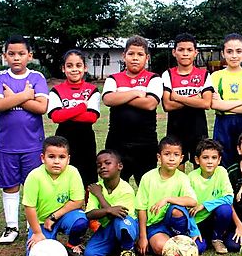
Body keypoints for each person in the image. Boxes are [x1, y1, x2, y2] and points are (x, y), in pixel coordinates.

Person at [0, 35, 49, 245]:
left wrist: (12, 97)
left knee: (32, 185)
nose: (16, 58)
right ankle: (11, 226)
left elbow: (41, 107)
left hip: (33, 144)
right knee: (10, 185)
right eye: (11, 54)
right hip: (7, 145)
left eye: (21, 54)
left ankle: (32, 226)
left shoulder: (37, 77)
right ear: (5, 56)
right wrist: (25, 95)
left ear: (29, 56)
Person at [102, 35, 161, 184]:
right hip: (117, 141)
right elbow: (108, 99)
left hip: (145, 142)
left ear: (147, 57)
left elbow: (150, 104)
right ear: (124, 56)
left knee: (147, 185)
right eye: (131, 54)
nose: (135, 58)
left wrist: (121, 97)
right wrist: (135, 93)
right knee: (116, 185)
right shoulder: (113, 78)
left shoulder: (153, 78)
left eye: (140, 54)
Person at [23, 136, 88, 256]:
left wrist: (53, 216)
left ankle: (73, 244)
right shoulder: (34, 176)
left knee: (80, 221)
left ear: (68, 159)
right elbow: (29, 207)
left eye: (62, 157)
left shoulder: (73, 172)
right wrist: (37, 232)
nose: (57, 161)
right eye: (51, 157)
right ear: (43, 158)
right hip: (41, 222)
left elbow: (78, 201)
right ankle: (44, 236)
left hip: (64, 216)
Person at [134, 136, 200, 256]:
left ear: (181, 158)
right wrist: (142, 237)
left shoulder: (182, 178)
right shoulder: (148, 178)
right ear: (159, 157)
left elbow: (192, 201)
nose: (171, 158)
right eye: (167, 154)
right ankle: (170, 243)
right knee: (162, 248)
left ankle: (182, 237)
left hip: (172, 222)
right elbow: (141, 209)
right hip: (154, 225)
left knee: (176, 210)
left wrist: (167, 199)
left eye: (176, 155)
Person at [47, 49, 101, 187]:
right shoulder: (56, 91)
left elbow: (91, 117)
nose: (74, 69)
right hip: (63, 139)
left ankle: (88, 207)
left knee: (87, 177)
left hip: (86, 140)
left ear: (85, 68)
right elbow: (56, 116)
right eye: (69, 66)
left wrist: (67, 113)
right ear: (63, 69)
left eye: (78, 65)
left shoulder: (92, 90)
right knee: (63, 175)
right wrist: (82, 107)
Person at [162, 33, 214, 171]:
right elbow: (167, 105)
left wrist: (178, 97)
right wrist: (194, 98)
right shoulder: (168, 74)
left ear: (196, 53)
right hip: (176, 130)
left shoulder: (204, 75)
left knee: (201, 172)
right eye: (181, 50)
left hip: (198, 130)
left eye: (189, 50)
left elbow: (206, 103)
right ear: (174, 52)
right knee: (177, 173)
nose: (185, 54)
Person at [188, 139, 242, 254]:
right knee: (198, 248)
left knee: (225, 209)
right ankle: (201, 237)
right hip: (197, 221)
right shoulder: (191, 177)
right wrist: (194, 230)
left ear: (219, 160)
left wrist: (204, 205)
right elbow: (187, 208)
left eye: (214, 158)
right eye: (205, 158)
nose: (210, 162)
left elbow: (229, 198)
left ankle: (217, 238)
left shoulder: (221, 172)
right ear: (197, 160)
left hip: (215, 218)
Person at [83, 150, 138, 256]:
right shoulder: (96, 188)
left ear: (120, 166)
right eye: (99, 165)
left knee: (120, 223)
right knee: (91, 254)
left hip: (126, 224)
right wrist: (109, 209)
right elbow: (89, 214)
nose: (102, 167)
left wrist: (99, 196)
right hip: (107, 227)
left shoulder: (126, 190)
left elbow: (118, 214)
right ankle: (116, 245)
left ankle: (128, 249)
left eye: (107, 163)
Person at [210, 33, 242, 167]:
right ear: (223, 54)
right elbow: (214, 104)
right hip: (223, 122)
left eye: (238, 51)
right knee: (222, 158)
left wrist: (223, 104)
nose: (234, 56)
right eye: (229, 51)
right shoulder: (216, 76)